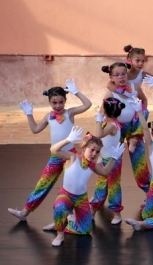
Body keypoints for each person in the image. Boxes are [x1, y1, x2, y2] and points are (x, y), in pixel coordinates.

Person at [8, 80, 92, 221]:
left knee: (70, 184)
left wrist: (76, 92)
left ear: (65, 101)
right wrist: (29, 114)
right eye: (54, 103)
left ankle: (70, 214)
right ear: (50, 103)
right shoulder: (49, 117)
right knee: (42, 184)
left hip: (70, 155)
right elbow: (35, 130)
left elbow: (88, 104)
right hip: (55, 155)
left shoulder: (70, 113)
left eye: (61, 102)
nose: (58, 105)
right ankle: (24, 212)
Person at [42, 126, 125, 246]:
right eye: (92, 150)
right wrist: (68, 140)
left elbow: (105, 172)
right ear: (84, 147)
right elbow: (54, 150)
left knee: (85, 230)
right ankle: (60, 235)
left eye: (97, 152)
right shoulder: (73, 157)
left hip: (81, 198)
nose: (94, 154)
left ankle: (61, 224)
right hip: (66, 194)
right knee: (60, 207)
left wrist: (114, 158)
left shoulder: (93, 165)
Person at [101, 62, 150, 194]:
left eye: (123, 74)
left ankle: (150, 194)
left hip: (135, 127)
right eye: (117, 75)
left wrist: (140, 112)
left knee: (141, 166)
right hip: (117, 130)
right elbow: (103, 112)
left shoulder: (135, 87)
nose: (121, 77)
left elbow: (144, 101)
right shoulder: (110, 92)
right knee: (112, 165)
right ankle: (102, 198)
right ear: (111, 78)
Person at [91, 97, 126, 224]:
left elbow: (99, 134)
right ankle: (93, 210)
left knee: (113, 186)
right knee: (100, 186)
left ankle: (117, 214)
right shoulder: (110, 123)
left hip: (113, 160)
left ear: (105, 110)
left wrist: (98, 121)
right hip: (104, 159)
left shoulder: (112, 125)